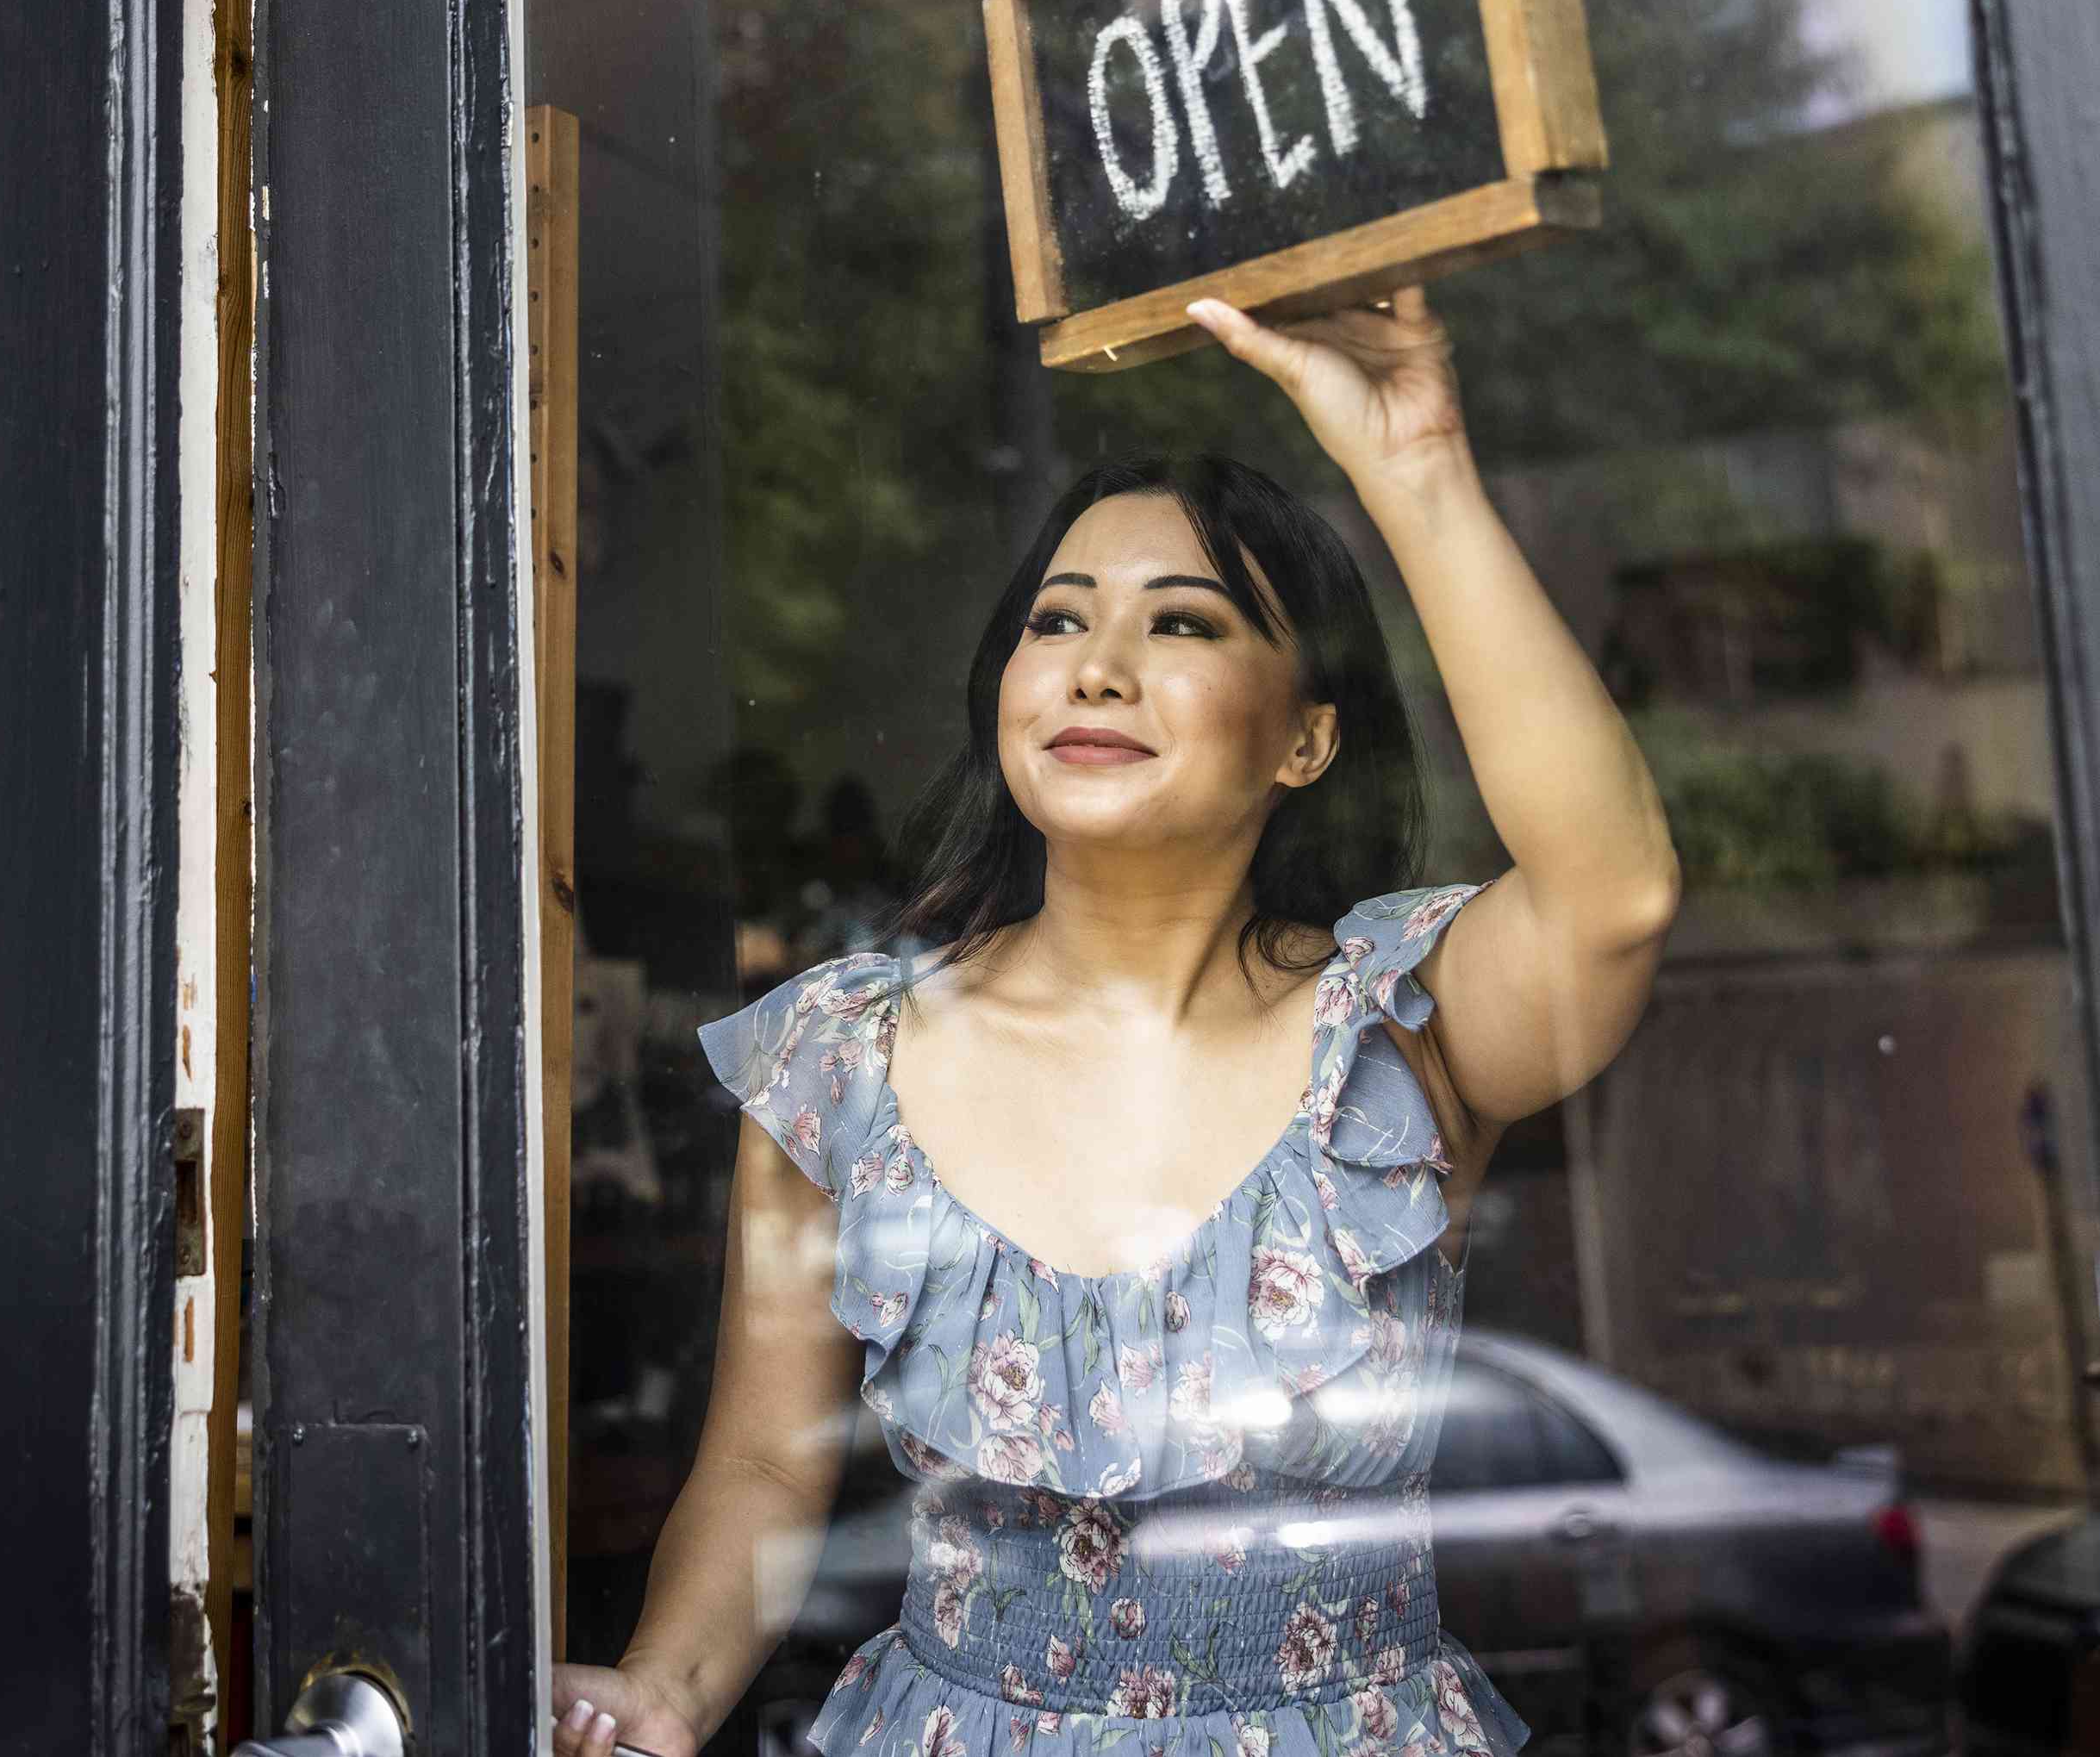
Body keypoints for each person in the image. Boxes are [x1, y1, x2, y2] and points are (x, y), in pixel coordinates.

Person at [550, 291, 1681, 1757]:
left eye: (1183, 625)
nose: (1096, 664)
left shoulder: (1399, 1033)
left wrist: (1420, 467)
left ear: (1305, 736)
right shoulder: (840, 1066)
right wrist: (662, 1690)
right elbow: (767, 1465)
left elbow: (1617, 897)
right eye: (1058, 621)